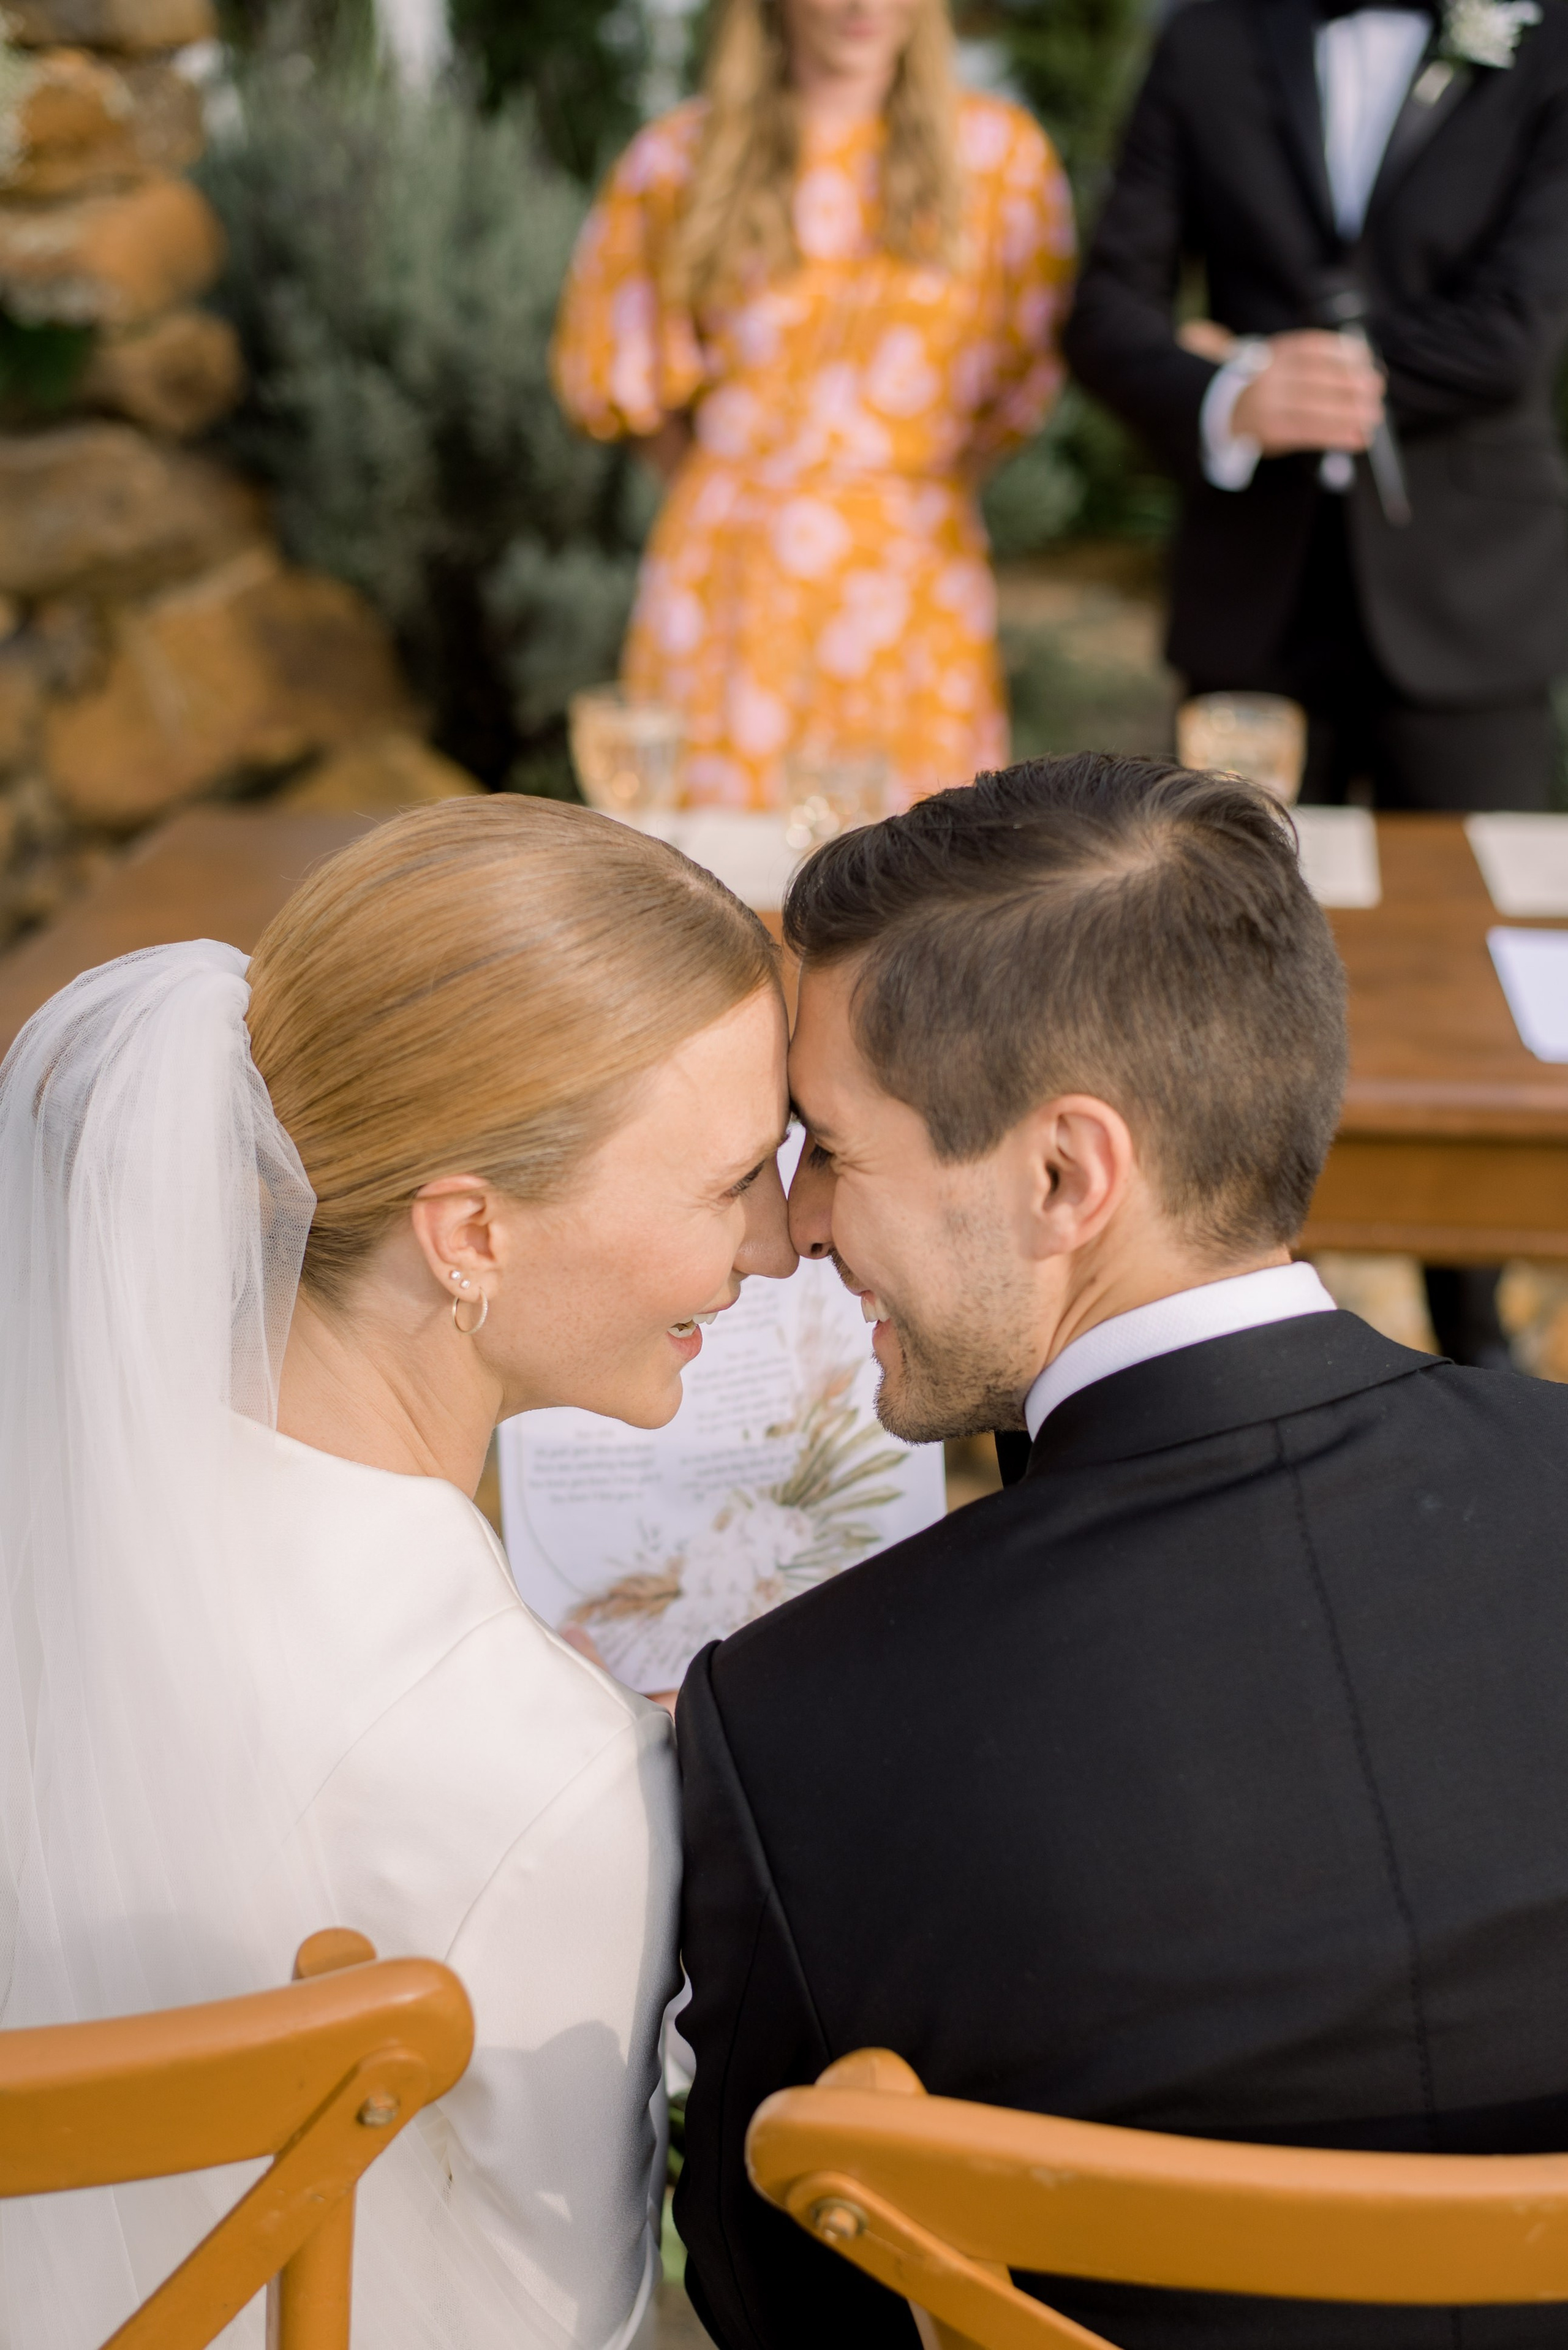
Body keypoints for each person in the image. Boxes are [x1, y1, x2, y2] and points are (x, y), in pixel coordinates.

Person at [674, 755, 1568, 2350]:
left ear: (1065, 1174)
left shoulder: (797, 1724)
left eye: (832, 1147)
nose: (798, 1225)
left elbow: (778, 2300)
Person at [0, 796, 794, 2350]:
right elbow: (586, 2308)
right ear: (467, 1236)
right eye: (728, 1184)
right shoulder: (543, 1773)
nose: (771, 1247)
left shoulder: (50, 1500)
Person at [1061, 0, 1568, 1369]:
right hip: (1252, 620)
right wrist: (1226, 401)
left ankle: (1481, 1359)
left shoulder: (1543, 41)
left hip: (1466, 605)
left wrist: (1316, 371)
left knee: (1475, 984)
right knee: (1205, 981)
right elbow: (1106, 311)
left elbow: (1520, 323)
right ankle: (1220, 1364)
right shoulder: (1205, 41)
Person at [551, 0, 1074, 811]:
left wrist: (908, 487)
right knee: (713, 881)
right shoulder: (679, 156)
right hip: (731, 579)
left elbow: (1027, 370)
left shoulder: (1004, 161)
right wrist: (727, 487)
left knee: (917, 884)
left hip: (914, 577)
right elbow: (616, 364)